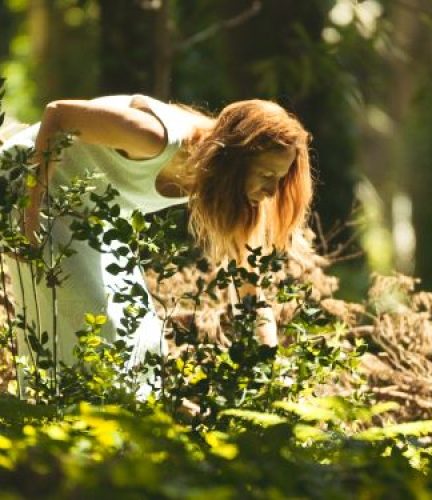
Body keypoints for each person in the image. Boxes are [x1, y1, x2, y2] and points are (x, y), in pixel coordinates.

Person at [0, 94, 313, 396]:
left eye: (280, 178)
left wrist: (266, 373)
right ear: (236, 160)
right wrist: (29, 222)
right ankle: (54, 426)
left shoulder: (226, 185)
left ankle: (121, 433)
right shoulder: (155, 138)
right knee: (96, 330)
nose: (273, 190)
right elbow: (58, 114)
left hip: (91, 215)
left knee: (144, 341)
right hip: (26, 189)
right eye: (267, 174)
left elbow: (250, 290)